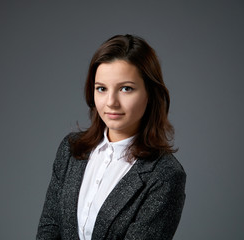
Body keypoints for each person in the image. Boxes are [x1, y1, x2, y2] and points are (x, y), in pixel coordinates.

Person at [37, 34, 186, 240]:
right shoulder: (71, 149)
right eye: (102, 88)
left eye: (126, 88)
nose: (111, 102)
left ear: (149, 94)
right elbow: (49, 227)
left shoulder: (165, 175)